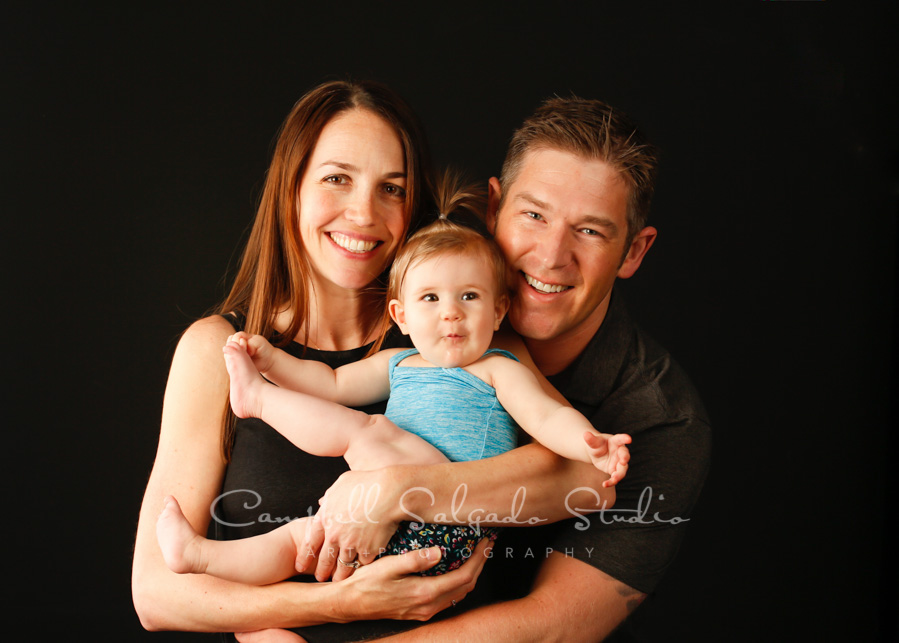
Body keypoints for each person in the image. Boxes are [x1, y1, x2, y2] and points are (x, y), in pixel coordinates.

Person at [132, 80, 639, 642]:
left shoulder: (453, 334)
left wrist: (397, 490)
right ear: (291, 188)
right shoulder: (219, 349)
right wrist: (335, 604)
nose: (363, 213)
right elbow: (156, 595)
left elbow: (584, 478)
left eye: (391, 189)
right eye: (337, 178)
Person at [295, 96, 711, 642]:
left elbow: (552, 628)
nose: (550, 256)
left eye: (590, 231)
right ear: (493, 208)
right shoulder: (424, 289)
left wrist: (397, 490)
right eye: (533, 215)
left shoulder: (662, 421)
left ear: (633, 251)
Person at [155, 210, 633, 586]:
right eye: (431, 299)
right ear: (400, 314)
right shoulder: (399, 363)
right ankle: (200, 555)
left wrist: (591, 442)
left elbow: (547, 416)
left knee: (368, 432)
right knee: (304, 538)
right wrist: (274, 363)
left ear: (498, 308)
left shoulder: (498, 368)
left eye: (469, 296)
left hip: (448, 525)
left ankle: (258, 400)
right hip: (378, 522)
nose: (451, 315)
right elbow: (329, 383)